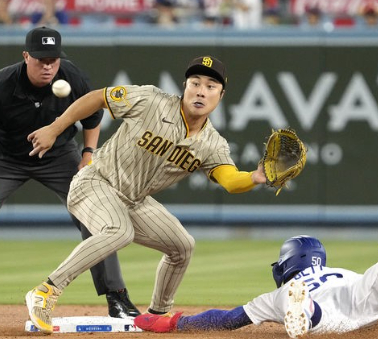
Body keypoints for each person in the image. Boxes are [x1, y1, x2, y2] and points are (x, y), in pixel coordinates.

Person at [24, 55, 269, 333]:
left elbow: (230, 180)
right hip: (95, 182)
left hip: (135, 201)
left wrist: (255, 177)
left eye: (211, 86)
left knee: (182, 246)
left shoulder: (213, 144)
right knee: (119, 231)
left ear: (220, 95)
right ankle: (46, 290)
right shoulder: (151, 100)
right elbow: (97, 98)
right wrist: (55, 128)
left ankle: (158, 314)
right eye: (195, 83)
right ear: (185, 86)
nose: (201, 90)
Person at [0, 26, 139, 324]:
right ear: (26, 56)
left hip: (60, 155)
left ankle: (117, 297)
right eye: (40, 59)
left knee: (97, 217)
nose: (48, 65)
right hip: (5, 158)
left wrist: (88, 154)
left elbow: (93, 116)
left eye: (53, 59)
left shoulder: (72, 77)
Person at [134, 188, 378, 338]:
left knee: (313, 315)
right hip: (367, 297)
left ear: (286, 263)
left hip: (328, 311)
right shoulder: (340, 272)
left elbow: (227, 319)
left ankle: (306, 311)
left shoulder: (278, 291)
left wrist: (175, 322)